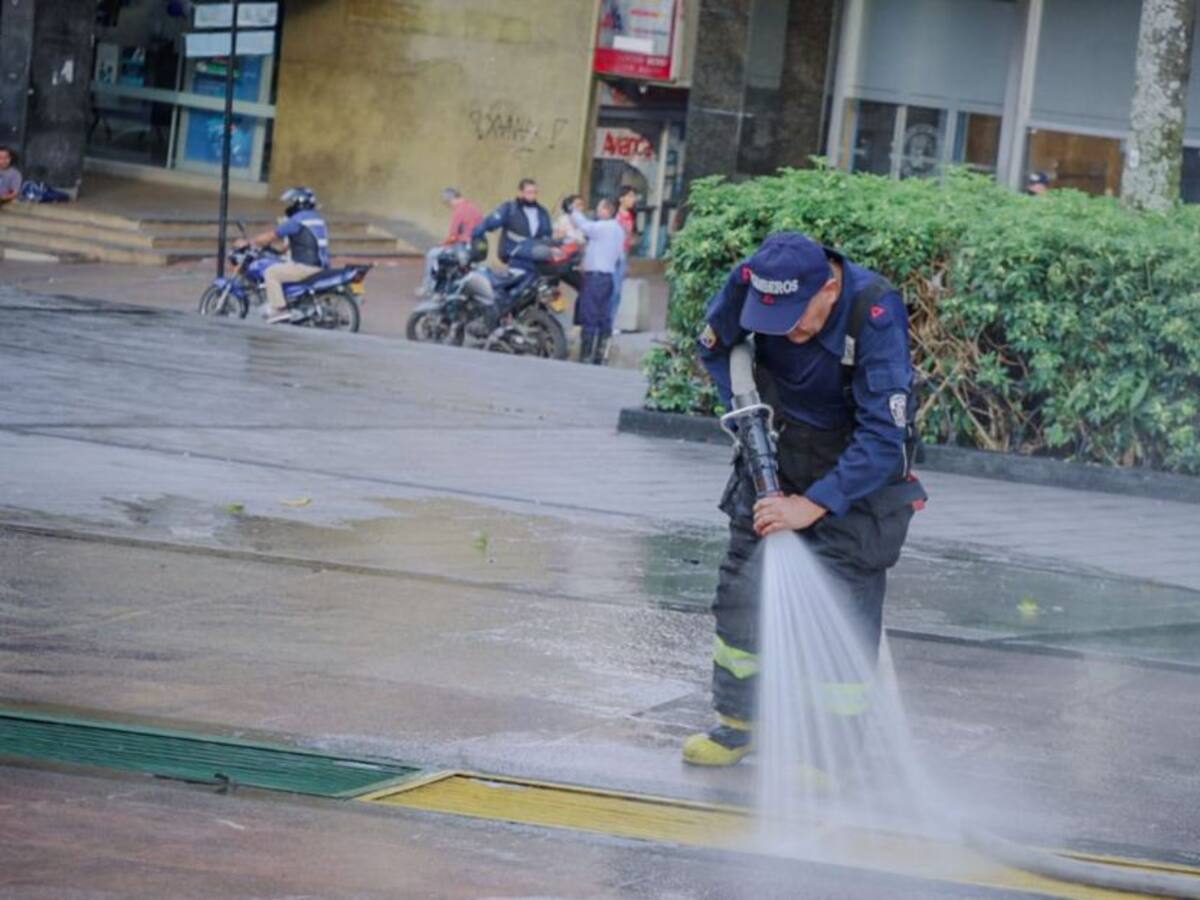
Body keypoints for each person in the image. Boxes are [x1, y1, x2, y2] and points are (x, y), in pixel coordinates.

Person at [684, 232, 927, 767]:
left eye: (798, 315)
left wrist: (809, 506)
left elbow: (883, 441)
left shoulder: (874, 309)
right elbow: (714, 347)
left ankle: (830, 755)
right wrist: (748, 418)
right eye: (773, 319)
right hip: (776, 447)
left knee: (841, 612)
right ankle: (737, 726)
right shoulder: (751, 281)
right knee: (740, 596)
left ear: (830, 288)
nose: (787, 331)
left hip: (856, 472)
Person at [239, 187, 331, 323]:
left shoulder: (297, 220)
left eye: (292, 203)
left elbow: (272, 235)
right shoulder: (316, 218)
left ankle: (279, 310)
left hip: (306, 267)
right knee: (282, 265)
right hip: (320, 265)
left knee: (271, 273)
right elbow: (298, 243)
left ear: (298, 204)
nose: (290, 207)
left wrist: (250, 242)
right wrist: (279, 250)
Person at [570, 198, 626, 364]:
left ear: (606, 211)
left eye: (599, 208)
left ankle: (586, 355)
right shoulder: (618, 229)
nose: (596, 211)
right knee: (604, 315)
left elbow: (585, 226)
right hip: (608, 277)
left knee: (590, 314)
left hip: (596, 277)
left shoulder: (603, 227)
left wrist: (574, 211)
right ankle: (601, 354)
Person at [419, 187, 483, 296]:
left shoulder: (459, 211)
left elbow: (453, 236)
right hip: (476, 246)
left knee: (432, 254)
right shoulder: (474, 208)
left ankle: (429, 287)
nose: (449, 206)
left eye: (447, 203)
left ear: (451, 199)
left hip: (463, 246)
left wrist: (443, 243)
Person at [473, 178, 552, 264]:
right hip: (514, 253)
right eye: (529, 192)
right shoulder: (509, 209)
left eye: (535, 192)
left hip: (535, 255)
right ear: (520, 193)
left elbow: (547, 233)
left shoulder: (542, 212)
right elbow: (490, 223)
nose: (532, 196)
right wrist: (475, 234)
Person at [610, 185, 639, 327]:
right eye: (630, 196)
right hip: (612, 255)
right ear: (621, 198)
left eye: (634, 196)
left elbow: (633, 234)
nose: (633, 199)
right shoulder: (614, 215)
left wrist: (631, 240)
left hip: (623, 254)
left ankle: (611, 321)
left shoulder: (632, 215)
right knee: (611, 290)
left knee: (617, 291)